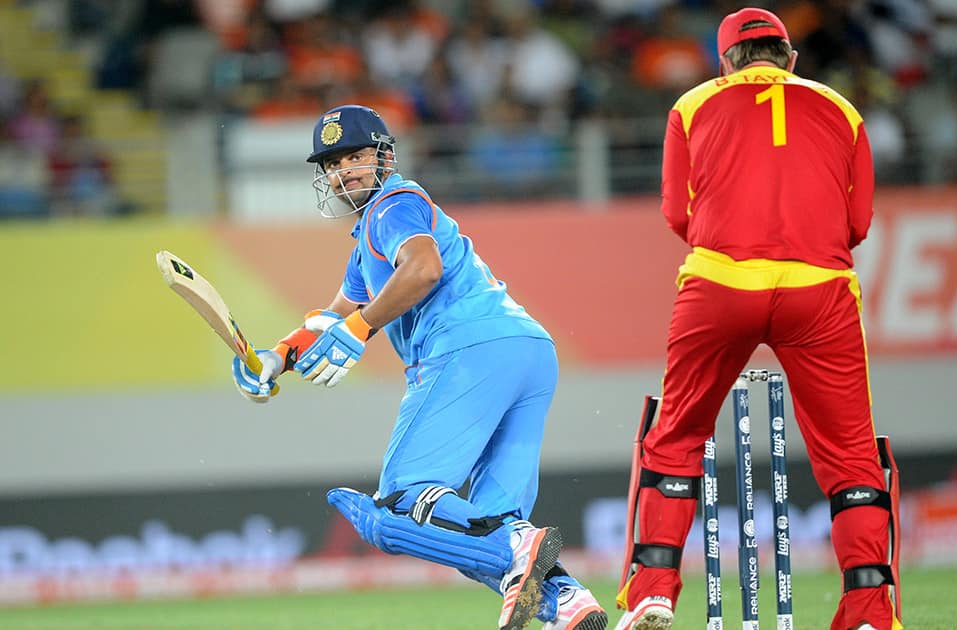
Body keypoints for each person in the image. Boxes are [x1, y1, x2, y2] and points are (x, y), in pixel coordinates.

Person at [230, 104, 608, 630]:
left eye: (356, 156)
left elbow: (423, 269)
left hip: (468, 349)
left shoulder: (394, 203)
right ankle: (566, 604)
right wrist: (274, 358)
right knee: (483, 534)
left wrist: (361, 330)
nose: (344, 172)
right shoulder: (370, 237)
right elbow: (331, 316)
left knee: (404, 502)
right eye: (333, 164)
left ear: (384, 155)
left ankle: (522, 546)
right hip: (527, 351)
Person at [614, 8, 902, 630]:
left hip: (719, 280)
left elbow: (675, 212)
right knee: (850, 452)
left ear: (725, 62)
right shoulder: (843, 109)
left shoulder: (690, 106)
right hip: (820, 287)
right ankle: (870, 611)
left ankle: (655, 594)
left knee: (678, 434)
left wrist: (735, 242)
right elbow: (857, 225)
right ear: (790, 57)